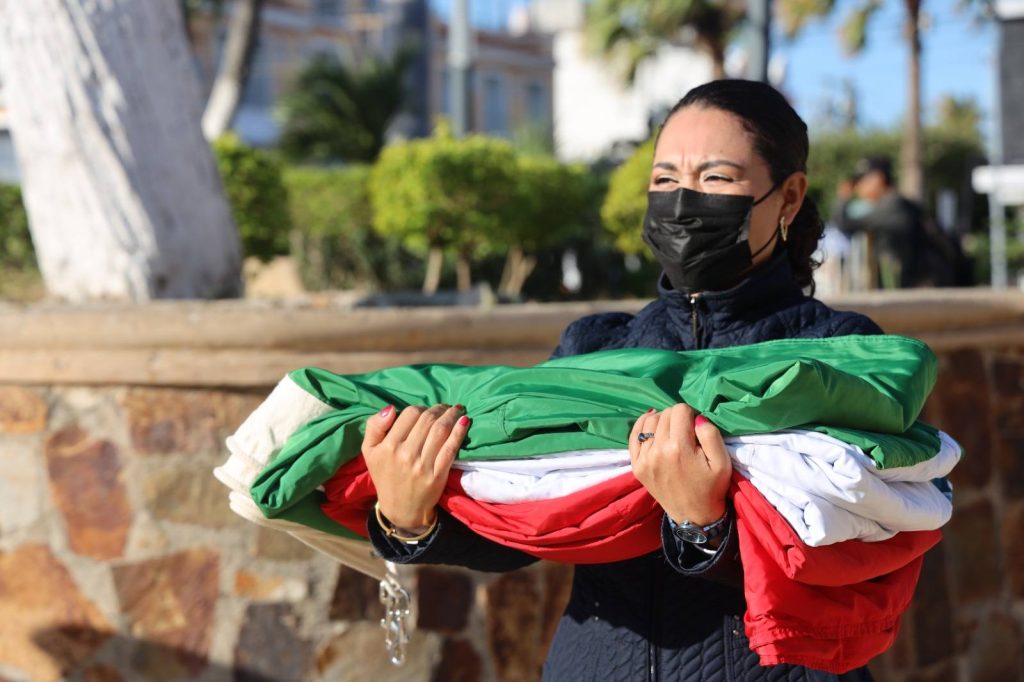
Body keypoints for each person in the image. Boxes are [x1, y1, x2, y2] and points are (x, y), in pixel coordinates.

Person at [360, 79, 882, 681]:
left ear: (788, 196)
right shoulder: (595, 348)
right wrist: (408, 519)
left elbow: (861, 558)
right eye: (665, 179)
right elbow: (525, 528)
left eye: (715, 178)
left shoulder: (839, 355)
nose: (682, 201)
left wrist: (704, 528)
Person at [836, 155, 934, 289]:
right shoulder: (900, 203)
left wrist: (843, 198)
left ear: (878, 179)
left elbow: (845, 224)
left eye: (860, 181)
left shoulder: (890, 206)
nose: (857, 188)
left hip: (906, 288)